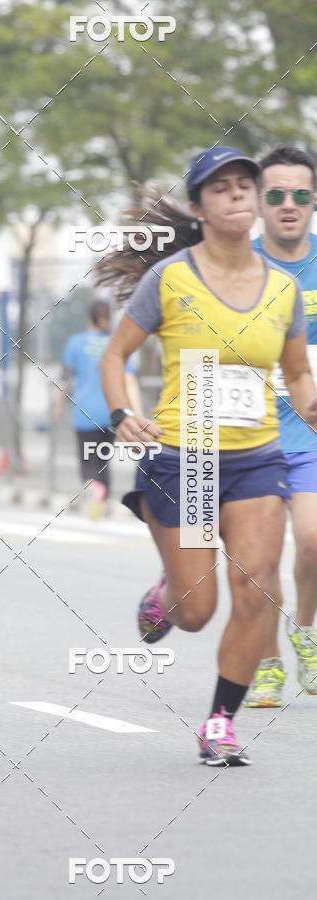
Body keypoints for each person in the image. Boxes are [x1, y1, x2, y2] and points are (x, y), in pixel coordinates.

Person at [96, 146, 317, 765]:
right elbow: (114, 356)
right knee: (198, 611)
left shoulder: (281, 289)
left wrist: (311, 405)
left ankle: (220, 720)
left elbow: (296, 375)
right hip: (186, 459)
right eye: (220, 189)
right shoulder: (170, 279)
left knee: (257, 591)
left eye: (245, 185)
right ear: (199, 207)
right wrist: (121, 413)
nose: (238, 195)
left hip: (256, 458)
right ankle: (169, 592)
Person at [243, 146, 317, 707]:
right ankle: (267, 662)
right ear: (260, 203)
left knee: (313, 542)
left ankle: (305, 633)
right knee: (259, 560)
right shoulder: (234, 266)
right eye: (275, 195)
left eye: (300, 195)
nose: (288, 205)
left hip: (310, 434)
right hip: (250, 439)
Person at [54, 299, 142, 519]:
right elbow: (130, 381)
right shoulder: (116, 343)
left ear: (88, 318)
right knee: (103, 460)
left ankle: (96, 493)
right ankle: (101, 506)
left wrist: (58, 405)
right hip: (112, 412)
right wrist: (137, 413)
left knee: (87, 462)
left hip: (84, 413)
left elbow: (65, 379)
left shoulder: (75, 343)